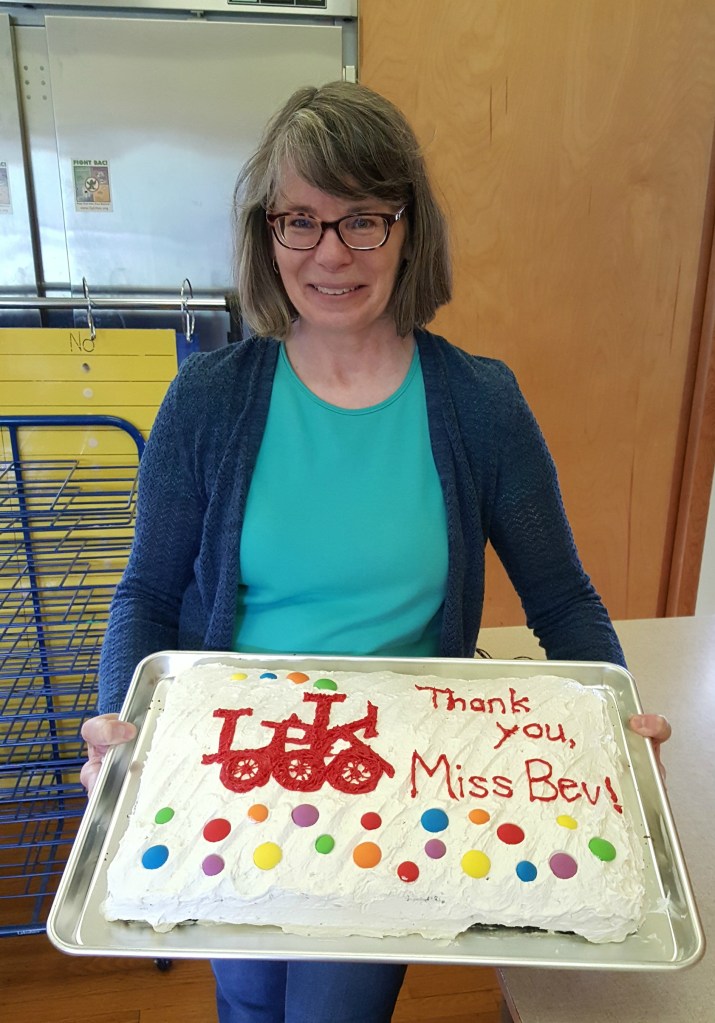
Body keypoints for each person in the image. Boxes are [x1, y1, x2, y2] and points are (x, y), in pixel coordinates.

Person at [81, 81, 671, 1023]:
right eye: (299, 221)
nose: (328, 253)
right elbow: (145, 592)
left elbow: (561, 598)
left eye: (361, 219)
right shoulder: (208, 402)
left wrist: (618, 721)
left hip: (395, 784)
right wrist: (117, 718)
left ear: (407, 230)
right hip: (232, 769)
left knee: (331, 1009)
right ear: (266, 235)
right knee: (245, 996)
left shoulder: (481, 404)